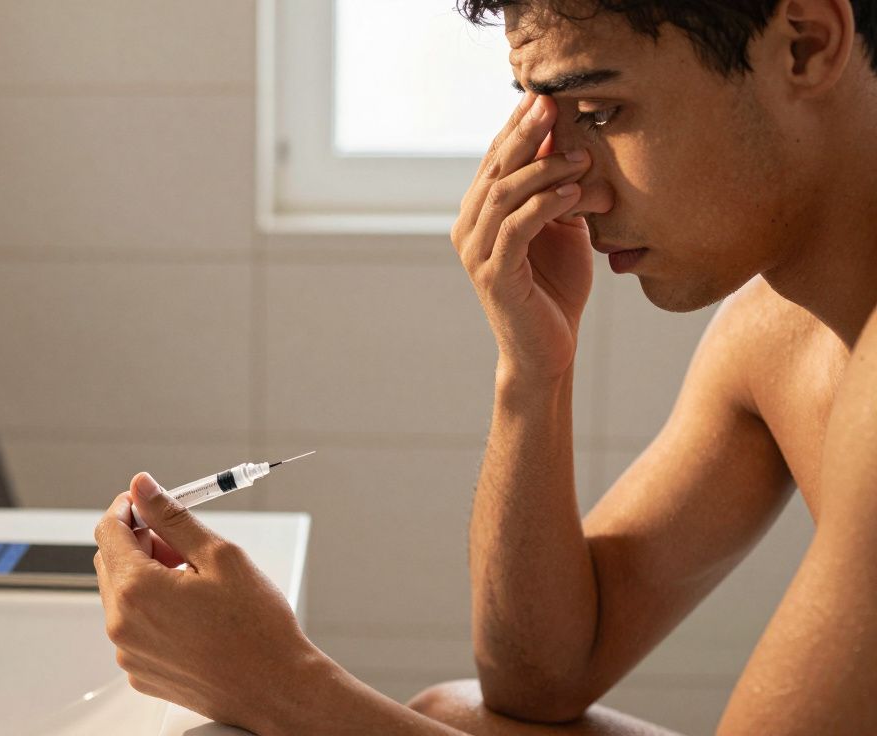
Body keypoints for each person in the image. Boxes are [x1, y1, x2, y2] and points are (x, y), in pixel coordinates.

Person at [91, 0, 877, 732]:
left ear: (806, 43)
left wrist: (287, 687)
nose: (569, 191)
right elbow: (540, 678)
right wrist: (533, 369)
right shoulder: (777, 334)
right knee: (458, 712)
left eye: (601, 113)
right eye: (546, 120)